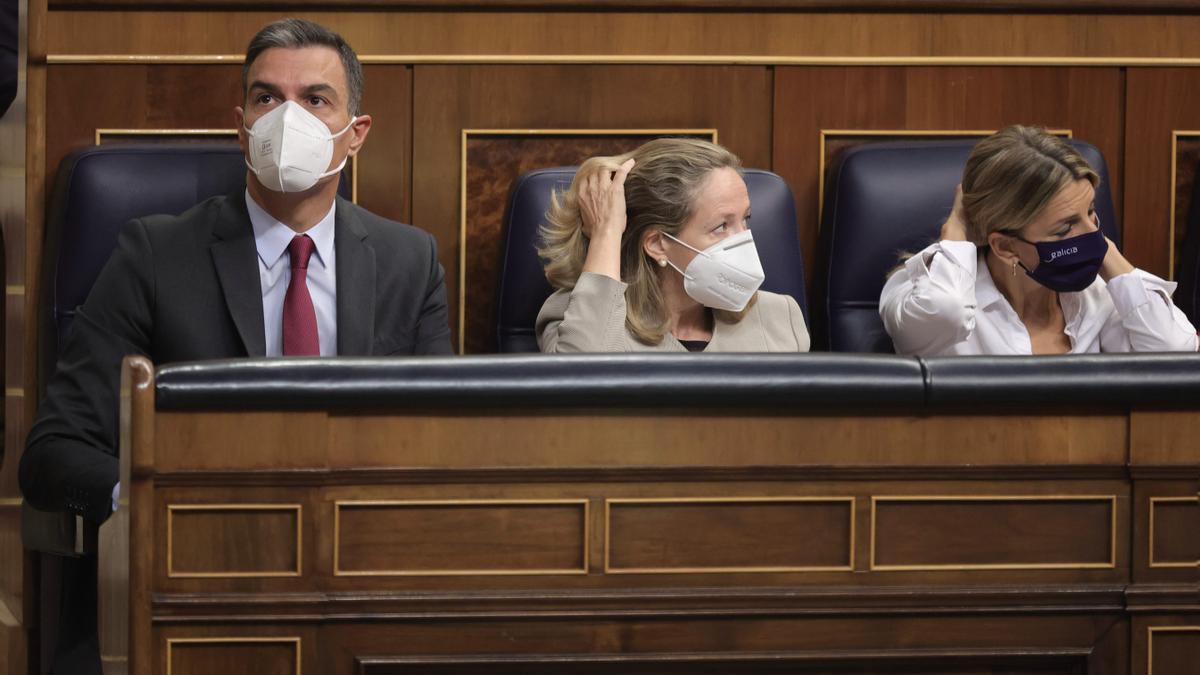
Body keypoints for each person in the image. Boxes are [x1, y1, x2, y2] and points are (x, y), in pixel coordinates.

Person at [20, 18, 451, 673]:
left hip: (357, 579)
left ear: (355, 134)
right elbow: (55, 453)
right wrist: (156, 504)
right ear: (241, 125)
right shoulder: (155, 255)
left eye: (315, 99)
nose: (287, 118)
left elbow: (439, 446)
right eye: (266, 98)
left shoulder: (407, 261)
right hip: (199, 576)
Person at [880, 125, 1197, 356]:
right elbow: (944, 310)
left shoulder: (1098, 297)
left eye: (1091, 212)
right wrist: (958, 228)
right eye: (1064, 229)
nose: (1090, 234)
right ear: (1006, 247)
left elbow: (1176, 354)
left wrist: (1107, 253)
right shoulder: (923, 291)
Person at [536, 138, 810, 353]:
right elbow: (581, 389)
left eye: (745, 219)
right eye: (721, 227)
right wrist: (606, 232)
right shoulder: (577, 316)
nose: (743, 240)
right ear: (657, 244)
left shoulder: (778, 317)